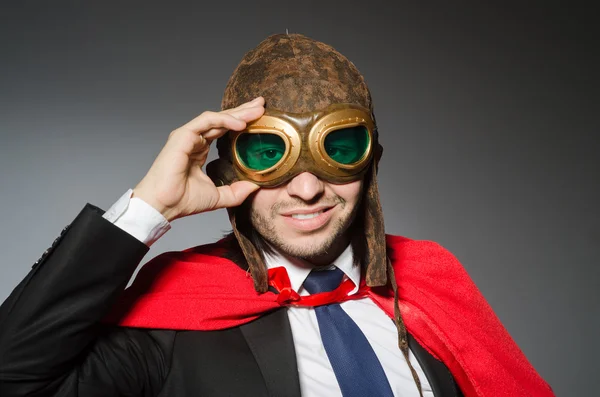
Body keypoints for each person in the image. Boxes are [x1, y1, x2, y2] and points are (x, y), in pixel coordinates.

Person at [0, 34, 553, 397]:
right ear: (227, 170)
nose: (308, 187)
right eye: (271, 154)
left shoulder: (433, 293)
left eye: (338, 149)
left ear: (371, 162)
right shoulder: (175, 326)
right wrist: (149, 206)